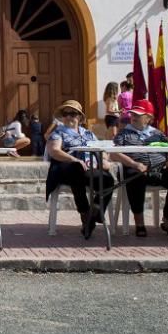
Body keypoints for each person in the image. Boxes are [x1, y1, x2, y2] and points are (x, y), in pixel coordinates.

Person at [111, 99, 168, 237]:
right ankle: (139, 222)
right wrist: (134, 164)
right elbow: (114, 154)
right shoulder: (123, 133)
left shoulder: (158, 134)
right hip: (136, 169)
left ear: (148, 118)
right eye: (133, 114)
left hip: (160, 169)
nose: (134, 117)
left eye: (138, 115)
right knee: (134, 175)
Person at [45, 99, 115, 238]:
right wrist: (74, 159)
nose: (69, 116)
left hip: (88, 168)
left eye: (73, 113)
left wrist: (104, 161)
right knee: (77, 168)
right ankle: (85, 211)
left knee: (108, 179)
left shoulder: (88, 134)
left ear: (80, 117)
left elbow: (101, 150)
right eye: (66, 113)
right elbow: (54, 151)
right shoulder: (58, 132)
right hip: (65, 168)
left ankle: (94, 213)